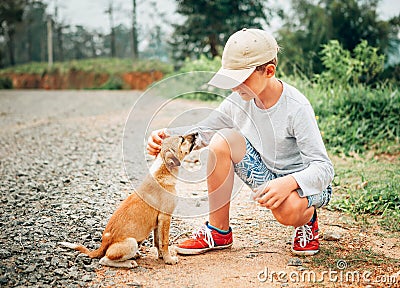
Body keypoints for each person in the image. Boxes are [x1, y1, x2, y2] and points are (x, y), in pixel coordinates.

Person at [147, 28, 334, 256]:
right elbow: (204, 131)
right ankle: (218, 231)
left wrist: (288, 183)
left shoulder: (296, 107)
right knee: (222, 139)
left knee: (288, 211)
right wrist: (168, 137)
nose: (234, 87)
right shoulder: (238, 99)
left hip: (304, 185)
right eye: (230, 79)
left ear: (269, 71)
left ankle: (308, 222)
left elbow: (324, 169)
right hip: (266, 176)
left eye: (240, 79)